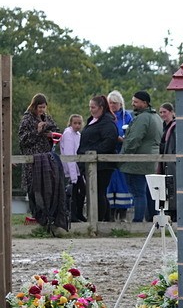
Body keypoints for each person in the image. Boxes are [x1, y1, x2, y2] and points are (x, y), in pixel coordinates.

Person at [17, 93, 68, 236]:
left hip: (46, 160)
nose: (42, 110)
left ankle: (48, 219)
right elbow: (22, 141)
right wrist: (37, 131)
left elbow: (56, 130)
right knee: (34, 190)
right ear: (34, 106)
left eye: (44, 107)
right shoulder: (26, 120)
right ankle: (36, 217)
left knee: (48, 189)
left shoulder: (47, 118)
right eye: (40, 107)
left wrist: (50, 133)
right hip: (32, 160)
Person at [120, 90, 164, 223]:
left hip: (137, 161)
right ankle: (152, 219)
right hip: (150, 160)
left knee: (138, 192)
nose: (133, 104)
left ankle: (137, 221)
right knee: (149, 192)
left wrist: (124, 156)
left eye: (136, 102)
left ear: (145, 103)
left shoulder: (143, 118)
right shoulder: (156, 117)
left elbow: (134, 139)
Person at [79, 95, 121, 224]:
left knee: (99, 192)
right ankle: (103, 219)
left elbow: (110, 141)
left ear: (101, 107)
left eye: (93, 107)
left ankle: (99, 220)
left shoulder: (107, 122)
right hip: (91, 162)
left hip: (102, 164)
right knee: (96, 192)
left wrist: (93, 152)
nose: (91, 110)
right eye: (90, 107)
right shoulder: (93, 120)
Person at [106, 90, 135, 221]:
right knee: (110, 184)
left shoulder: (126, 116)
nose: (112, 105)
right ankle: (111, 212)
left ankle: (123, 213)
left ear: (120, 104)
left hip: (123, 153)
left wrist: (124, 139)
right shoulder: (106, 116)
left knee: (123, 184)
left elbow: (132, 131)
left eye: (115, 103)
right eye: (110, 103)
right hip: (109, 153)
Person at [59, 113, 86, 222]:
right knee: (74, 192)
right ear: (70, 123)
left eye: (79, 123)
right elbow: (69, 153)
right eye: (75, 123)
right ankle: (73, 215)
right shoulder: (68, 134)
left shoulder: (78, 135)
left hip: (78, 168)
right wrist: (73, 174)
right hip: (72, 168)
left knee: (82, 191)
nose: (77, 125)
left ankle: (78, 213)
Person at [159, 102, 178, 220]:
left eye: (164, 112)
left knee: (172, 188)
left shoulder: (174, 127)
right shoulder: (165, 127)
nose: (162, 115)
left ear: (171, 112)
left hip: (171, 162)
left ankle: (174, 214)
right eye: (160, 112)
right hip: (165, 162)